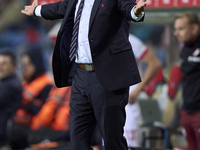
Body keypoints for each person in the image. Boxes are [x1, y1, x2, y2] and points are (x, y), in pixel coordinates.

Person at [21, 0, 147, 149]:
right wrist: (37, 11)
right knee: (78, 140)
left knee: (111, 138)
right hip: (80, 75)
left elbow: (128, 8)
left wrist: (136, 12)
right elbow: (60, 7)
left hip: (107, 75)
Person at [10, 48, 53, 149]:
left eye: (29, 64)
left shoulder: (46, 84)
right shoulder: (25, 82)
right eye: (23, 65)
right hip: (19, 126)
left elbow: (43, 112)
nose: (26, 68)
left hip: (34, 130)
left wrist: (24, 102)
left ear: (36, 63)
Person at [124, 34, 162, 147]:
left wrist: (137, 90)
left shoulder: (129, 39)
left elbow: (155, 63)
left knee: (130, 144)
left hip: (129, 100)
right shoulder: (98, 36)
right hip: (109, 99)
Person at [173, 11, 200, 150]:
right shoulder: (185, 49)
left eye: (181, 29)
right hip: (187, 112)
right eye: (175, 29)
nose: (176, 33)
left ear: (194, 28)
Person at [0, 51, 22, 147]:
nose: (0, 67)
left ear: (14, 67)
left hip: (5, 137)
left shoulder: (12, 85)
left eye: (4, 64)